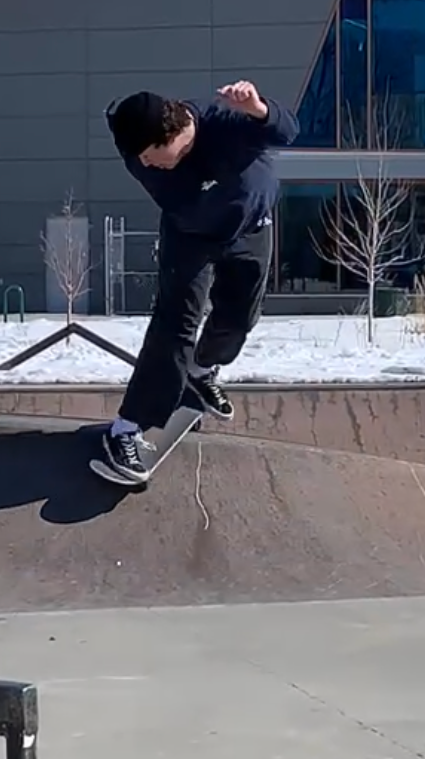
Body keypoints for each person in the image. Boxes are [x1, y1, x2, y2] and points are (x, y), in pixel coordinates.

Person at [101, 80, 299, 481]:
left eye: (152, 157)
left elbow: (287, 132)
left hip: (250, 230)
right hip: (187, 236)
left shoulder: (223, 123)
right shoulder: (135, 142)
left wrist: (259, 108)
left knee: (241, 317)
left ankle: (202, 370)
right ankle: (126, 427)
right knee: (175, 324)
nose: (146, 166)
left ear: (172, 134)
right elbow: (135, 135)